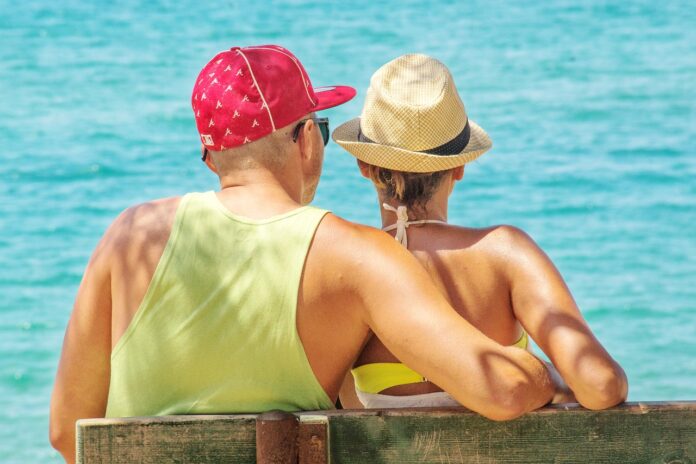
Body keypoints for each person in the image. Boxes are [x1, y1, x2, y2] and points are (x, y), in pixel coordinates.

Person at [50, 45, 559, 463]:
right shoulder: (351, 255)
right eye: (317, 124)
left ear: (210, 156)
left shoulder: (128, 236)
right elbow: (501, 390)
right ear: (306, 141)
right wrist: (544, 373)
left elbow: (64, 432)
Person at [333, 53, 628, 409]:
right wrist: (544, 374)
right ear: (459, 166)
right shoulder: (507, 253)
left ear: (364, 166)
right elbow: (602, 385)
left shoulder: (346, 266)